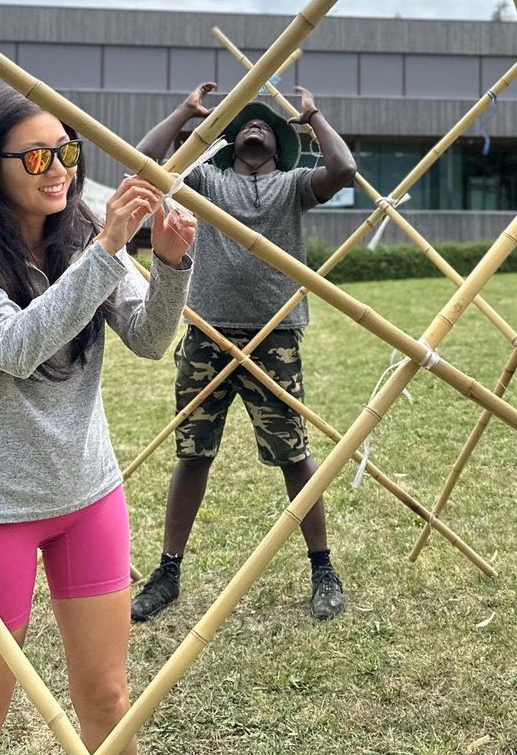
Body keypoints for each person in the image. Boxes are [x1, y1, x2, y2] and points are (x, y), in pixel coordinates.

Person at [0, 88, 195, 755]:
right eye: (36, 156)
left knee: (108, 699)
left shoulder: (82, 236)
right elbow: (15, 347)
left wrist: (169, 265)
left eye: (67, 152)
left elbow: (148, 337)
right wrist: (106, 250)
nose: (59, 170)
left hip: (89, 493)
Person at [130, 81, 357, 623]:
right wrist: (185, 115)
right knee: (192, 452)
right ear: (229, 142)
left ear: (280, 145)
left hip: (274, 335)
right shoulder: (206, 180)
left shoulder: (294, 185)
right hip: (206, 334)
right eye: (245, 124)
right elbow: (143, 164)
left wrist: (314, 117)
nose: (255, 126)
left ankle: (323, 567)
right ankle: (168, 571)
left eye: (267, 126)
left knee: (293, 454)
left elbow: (344, 170)